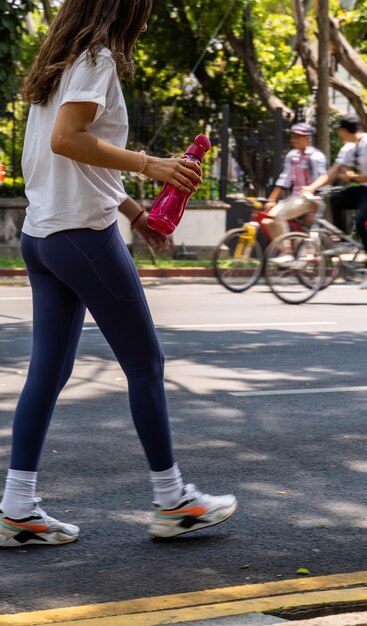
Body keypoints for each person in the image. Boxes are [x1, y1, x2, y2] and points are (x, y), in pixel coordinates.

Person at [0, 0, 237, 548]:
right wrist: (150, 164)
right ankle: (174, 501)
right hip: (81, 234)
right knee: (146, 362)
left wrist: (134, 213)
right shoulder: (96, 57)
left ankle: (16, 509)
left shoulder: (62, 62)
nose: (150, 15)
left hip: (43, 236)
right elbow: (69, 139)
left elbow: (70, 158)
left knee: (50, 372)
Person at [303, 114, 367, 289]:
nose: (339, 135)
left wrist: (354, 177)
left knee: (362, 221)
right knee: (336, 199)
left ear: (343, 130)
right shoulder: (349, 148)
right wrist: (312, 187)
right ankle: (345, 243)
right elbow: (332, 172)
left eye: (339, 131)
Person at [263, 123, 327, 263]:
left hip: (309, 198)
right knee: (267, 220)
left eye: (299, 137)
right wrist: (271, 200)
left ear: (308, 139)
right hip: (295, 197)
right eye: (293, 137)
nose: (294, 140)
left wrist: (313, 200)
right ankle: (285, 248)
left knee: (279, 215)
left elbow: (322, 179)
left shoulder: (316, 157)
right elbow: (284, 179)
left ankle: (288, 253)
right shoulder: (292, 156)